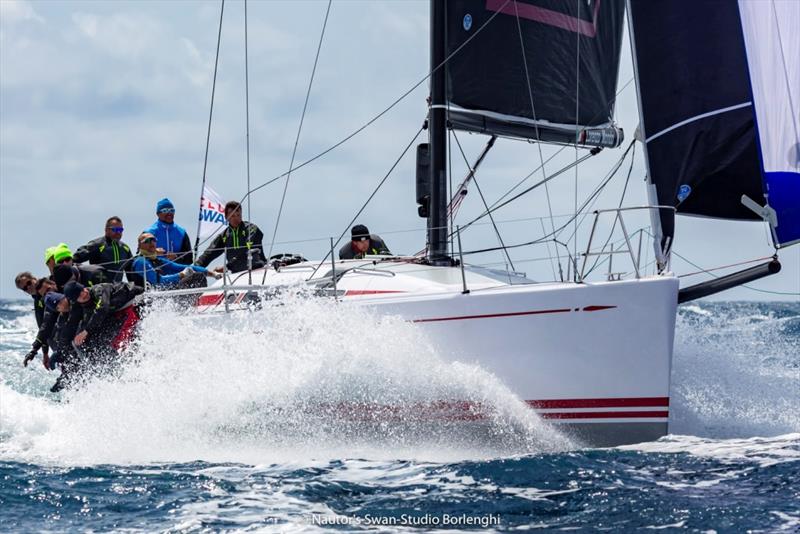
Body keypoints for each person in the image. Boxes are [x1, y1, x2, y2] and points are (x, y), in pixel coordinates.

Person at [63, 280, 144, 362]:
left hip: (136, 302)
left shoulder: (99, 289)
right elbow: (90, 322)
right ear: (76, 300)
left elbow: (103, 308)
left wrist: (86, 331)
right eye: (79, 295)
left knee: (123, 339)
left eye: (82, 290)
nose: (84, 294)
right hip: (122, 313)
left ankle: (138, 355)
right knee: (109, 342)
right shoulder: (87, 308)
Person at [195, 201, 266, 274]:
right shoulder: (224, 235)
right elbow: (208, 254)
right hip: (236, 275)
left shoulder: (252, 229)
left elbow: (248, 251)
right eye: (232, 216)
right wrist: (194, 268)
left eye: (238, 215)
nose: (236, 218)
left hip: (258, 271)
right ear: (226, 217)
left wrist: (227, 266)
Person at [128, 232, 217, 289]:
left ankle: (186, 309)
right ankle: (182, 309)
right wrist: (181, 275)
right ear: (140, 246)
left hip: (161, 295)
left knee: (198, 277)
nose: (151, 242)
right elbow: (158, 281)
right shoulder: (140, 262)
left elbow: (181, 267)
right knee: (196, 278)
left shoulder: (158, 260)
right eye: (147, 240)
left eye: (153, 240)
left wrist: (213, 274)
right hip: (148, 300)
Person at [73, 216, 133, 282]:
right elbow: (75, 259)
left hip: (117, 289)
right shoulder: (97, 244)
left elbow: (132, 272)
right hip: (98, 288)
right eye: (115, 229)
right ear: (106, 230)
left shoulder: (125, 248)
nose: (118, 232)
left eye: (120, 230)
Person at [144, 198, 193, 265]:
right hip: (156, 273)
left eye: (172, 211)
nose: (169, 213)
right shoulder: (149, 233)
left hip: (177, 274)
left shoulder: (182, 233)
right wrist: (154, 253)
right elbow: (140, 257)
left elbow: (189, 259)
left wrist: (176, 257)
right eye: (165, 211)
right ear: (158, 214)